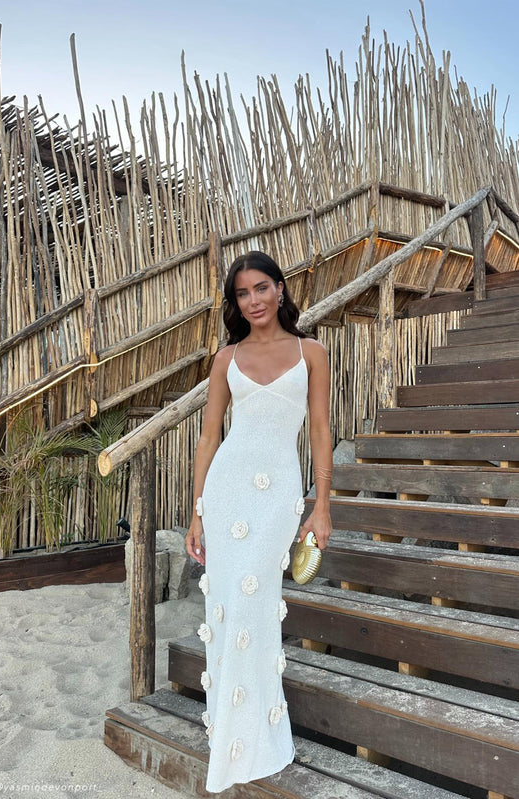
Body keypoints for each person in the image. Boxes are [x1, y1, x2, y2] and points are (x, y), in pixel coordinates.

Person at [185, 250, 332, 793]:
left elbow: (319, 431)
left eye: (262, 288)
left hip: (278, 497)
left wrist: (323, 506)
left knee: (257, 605)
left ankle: (259, 735)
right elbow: (208, 437)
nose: (254, 301)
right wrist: (198, 511)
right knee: (227, 608)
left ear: (280, 289)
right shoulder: (226, 359)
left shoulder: (311, 352)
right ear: (236, 302)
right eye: (243, 293)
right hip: (227, 494)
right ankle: (229, 735)